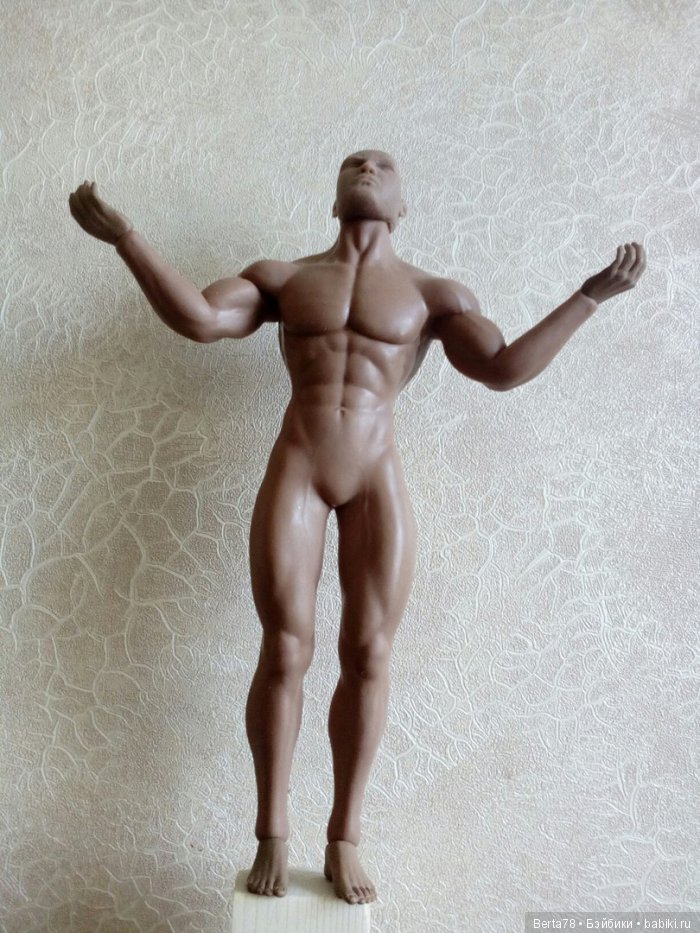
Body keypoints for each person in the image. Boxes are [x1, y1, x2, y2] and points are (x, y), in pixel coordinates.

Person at [69, 151, 646, 904]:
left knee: (369, 652)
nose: (368, 168)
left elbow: (502, 368)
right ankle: (272, 832)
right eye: (354, 163)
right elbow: (201, 320)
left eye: (382, 165)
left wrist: (588, 297)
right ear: (334, 196)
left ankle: (344, 837)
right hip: (300, 467)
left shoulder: (435, 294)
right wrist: (128, 240)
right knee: (285, 646)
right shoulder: (283, 278)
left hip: (375, 474)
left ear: (403, 205)